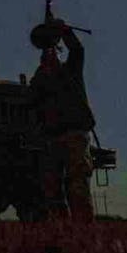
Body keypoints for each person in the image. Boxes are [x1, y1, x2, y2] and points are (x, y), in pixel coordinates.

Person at [29, 17, 96, 222]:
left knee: (77, 184)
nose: (49, 57)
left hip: (75, 133)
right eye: (46, 56)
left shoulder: (71, 70)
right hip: (51, 138)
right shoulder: (39, 81)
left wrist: (64, 30)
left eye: (53, 53)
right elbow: (32, 102)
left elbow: (77, 50)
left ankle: (84, 229)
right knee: (52, 189)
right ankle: (61, 230)